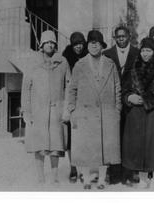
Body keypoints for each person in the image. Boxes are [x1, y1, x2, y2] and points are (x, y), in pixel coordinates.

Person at [66, 30, 121, 190]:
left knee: (105, 147)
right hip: (85, 113)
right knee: (86, 146)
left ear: (102, 46)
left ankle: (102, 179)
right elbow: (72, 89)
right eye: (91, 43)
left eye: (97, 43)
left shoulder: (110, 64)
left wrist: (117, 109)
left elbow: (117, 87)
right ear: (87, 45)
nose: (94, 46)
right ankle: (87, 178)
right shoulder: (80, 65)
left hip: (107, 113)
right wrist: (72, 109)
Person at [21, 30, 71, 184]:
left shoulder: (62, 62)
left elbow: (69, 86)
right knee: (39, 145)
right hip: (38, 111)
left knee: (56, 146)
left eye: (52, 42)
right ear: (41, 45)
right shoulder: (32, 63)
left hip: (57, 110)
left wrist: (67, 109)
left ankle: (55, 176)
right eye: (47, 42)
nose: (50, 45)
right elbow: (26, 88)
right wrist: (27, 111)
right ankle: (40, 176)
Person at [122, 37, 154, 187]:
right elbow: (125, 88)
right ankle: (143, 179)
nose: (145, 54)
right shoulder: (133, 67)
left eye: (148, 50)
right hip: (137, 114)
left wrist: (145, 99)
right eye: (143, 50)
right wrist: (129, 97)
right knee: (138, 146)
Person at [103, 25, 140, 185]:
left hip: (132, 101)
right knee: (113, 137)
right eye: (118, 37)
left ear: (129, 36)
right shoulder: (107, 54)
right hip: (113, 101)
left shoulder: (138, 53)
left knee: (130, 138)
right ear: (114, 38)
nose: (121, 39)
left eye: (123, 36)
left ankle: (131, 172)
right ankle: (114, 173)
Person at [62, 32, 88, 183]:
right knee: (71, 138)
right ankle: (73, 168)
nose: (78, 47)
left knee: (83, 138)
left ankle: (84, 170)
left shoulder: (87, 57)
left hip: (84, 102)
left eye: (80, 44)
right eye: (75, 44)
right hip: (71, 101)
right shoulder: (66, 58)